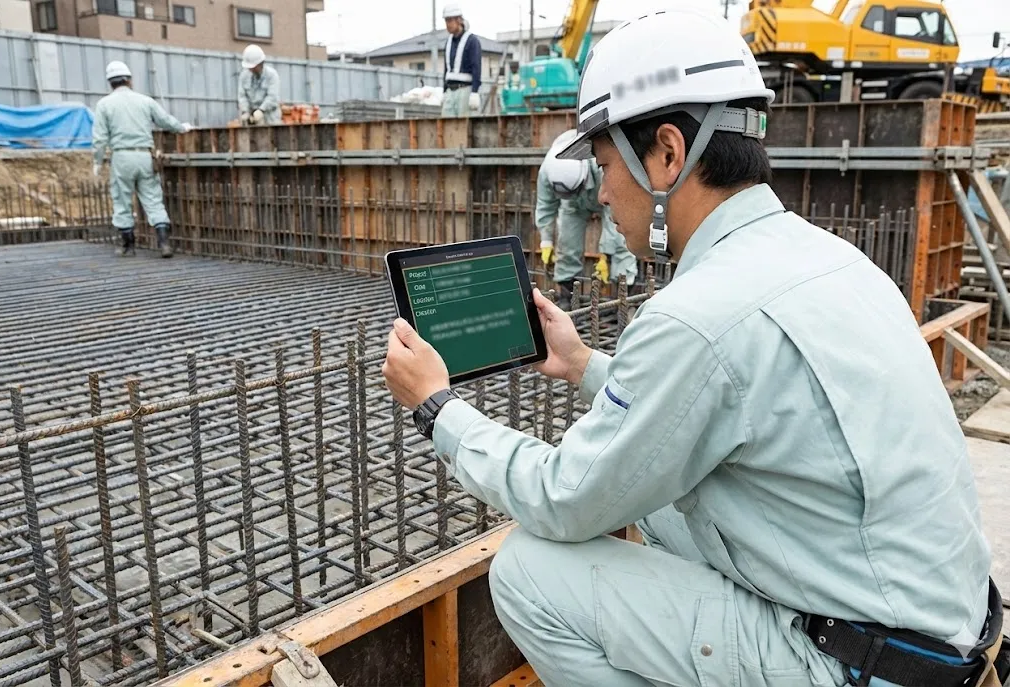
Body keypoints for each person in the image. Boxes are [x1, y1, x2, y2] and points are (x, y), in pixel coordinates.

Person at [382, 7, 1003, 687]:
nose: (603, 192)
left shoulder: (697, 313)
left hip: (855, 663)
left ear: (668, 154)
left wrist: (438, 407)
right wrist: (583, 364)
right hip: (941, 633)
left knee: (529, 571)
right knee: (655, 493)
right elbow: (719, 399)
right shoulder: (829, 257)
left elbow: (565, 497)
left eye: (605, 165)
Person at [92, 60, 191, 258]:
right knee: (153, 199)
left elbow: (100, 138)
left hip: (121, 157)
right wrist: (182, 128)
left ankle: (128, 247)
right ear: (129, 80)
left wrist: (97, 161)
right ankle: (164, 244)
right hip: (144, 155)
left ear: (110, 83)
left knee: (122, 201)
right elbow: (165, 120)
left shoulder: (104, 105)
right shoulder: (145, 101)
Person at [536, 128, 639, 308]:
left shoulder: (602, 165)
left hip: (608, 197)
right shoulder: (547, 171)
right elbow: (545, 205)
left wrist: (605, 255)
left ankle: (625, 299)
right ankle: (567, 295)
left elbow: (612, 216)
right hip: (574, 204)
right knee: (567, 242)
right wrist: (546, 241)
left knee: (621, 241)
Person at [440, 4, 482, 117]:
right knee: (447, 125)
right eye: (446, 21)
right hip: (450, 91)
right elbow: (446, 69)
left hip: (465, 90)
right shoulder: (448, 42)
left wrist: (474, 92)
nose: (447, 25)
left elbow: (476, 67)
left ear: (459, 20)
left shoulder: (471, 41)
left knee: (464, 124)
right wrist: (444, 91)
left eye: (450, 21)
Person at [238, 44, 281, 126]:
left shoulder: (272, 75)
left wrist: (261, 110)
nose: (251, 69)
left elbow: (272, 97)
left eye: (253, 67)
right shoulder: (244, 76)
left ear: (261, 63)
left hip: (270, 118)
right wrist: (245, 111)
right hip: (251, 118)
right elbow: (242, 96)